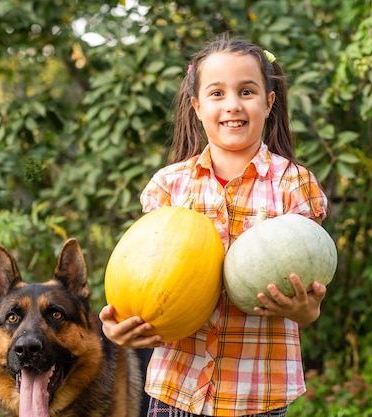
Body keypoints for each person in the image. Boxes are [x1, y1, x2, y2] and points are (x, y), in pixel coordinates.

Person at [100, 33, 329, 417]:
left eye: (247, 91)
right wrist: (117, 329)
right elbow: (143, 274)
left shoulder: (294, 185)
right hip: (176, 386)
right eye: (217, 93)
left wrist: (306, 311)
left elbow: (308, 295)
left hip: (257, 394)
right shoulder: (169, 186)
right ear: (196, 105)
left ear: (269, 102)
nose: (233, 105)